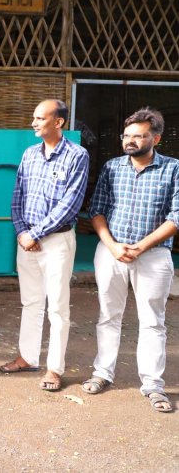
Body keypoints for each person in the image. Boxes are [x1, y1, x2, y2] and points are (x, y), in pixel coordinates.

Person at [81, 107, 177, 413]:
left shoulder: (173, 169)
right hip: (111, 252)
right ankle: (102, 373)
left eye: (139, 135)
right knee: (109, 315)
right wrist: (112, 245)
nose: (131, 141)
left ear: (156, 138)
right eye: (127, 135)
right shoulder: (112, 167)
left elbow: (176, 217)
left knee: (152, 321)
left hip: (154, 256)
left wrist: (139, 247)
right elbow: (97, 210)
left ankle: (152, 385)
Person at [1, 99, 89, 391]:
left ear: (59, 122)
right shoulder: (29, 154)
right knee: (31, 302)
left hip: (56, 242)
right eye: (34, 117)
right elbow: (17, 197)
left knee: (57, 307)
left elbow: (70, 204)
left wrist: (35, 233)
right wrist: (22, 232)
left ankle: (54, 368)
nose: (34, 123)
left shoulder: (77, 156)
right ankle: (27, 356)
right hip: (27, 242)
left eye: (40, 118)